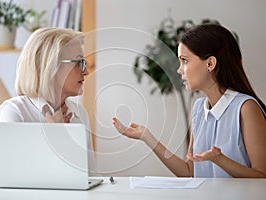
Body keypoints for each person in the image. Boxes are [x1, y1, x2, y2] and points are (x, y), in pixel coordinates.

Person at [113, 24, 266, 178]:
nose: (179, 70)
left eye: (185, 60)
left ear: (210, 64)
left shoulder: (246, 108)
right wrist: (147, 137)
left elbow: (262, 176)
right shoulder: (199, 108)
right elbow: (189, 172)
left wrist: (220, 160)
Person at [0, 27, 96, 173]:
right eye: (78, 63)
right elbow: (15, 175)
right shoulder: (14, 112)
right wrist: (54, 134)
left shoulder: (79, 113)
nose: (86, 71)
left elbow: (91, 176)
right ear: (51, 66)